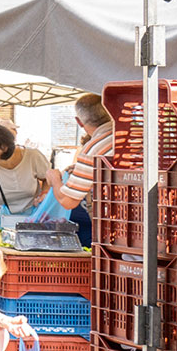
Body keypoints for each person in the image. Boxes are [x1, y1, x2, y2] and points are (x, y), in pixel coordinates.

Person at [45, 93, 115, 247]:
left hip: (115, 228)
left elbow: (68, 201)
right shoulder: (131, 137)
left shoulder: (93, 149)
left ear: (79, 122)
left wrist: (55, 178)